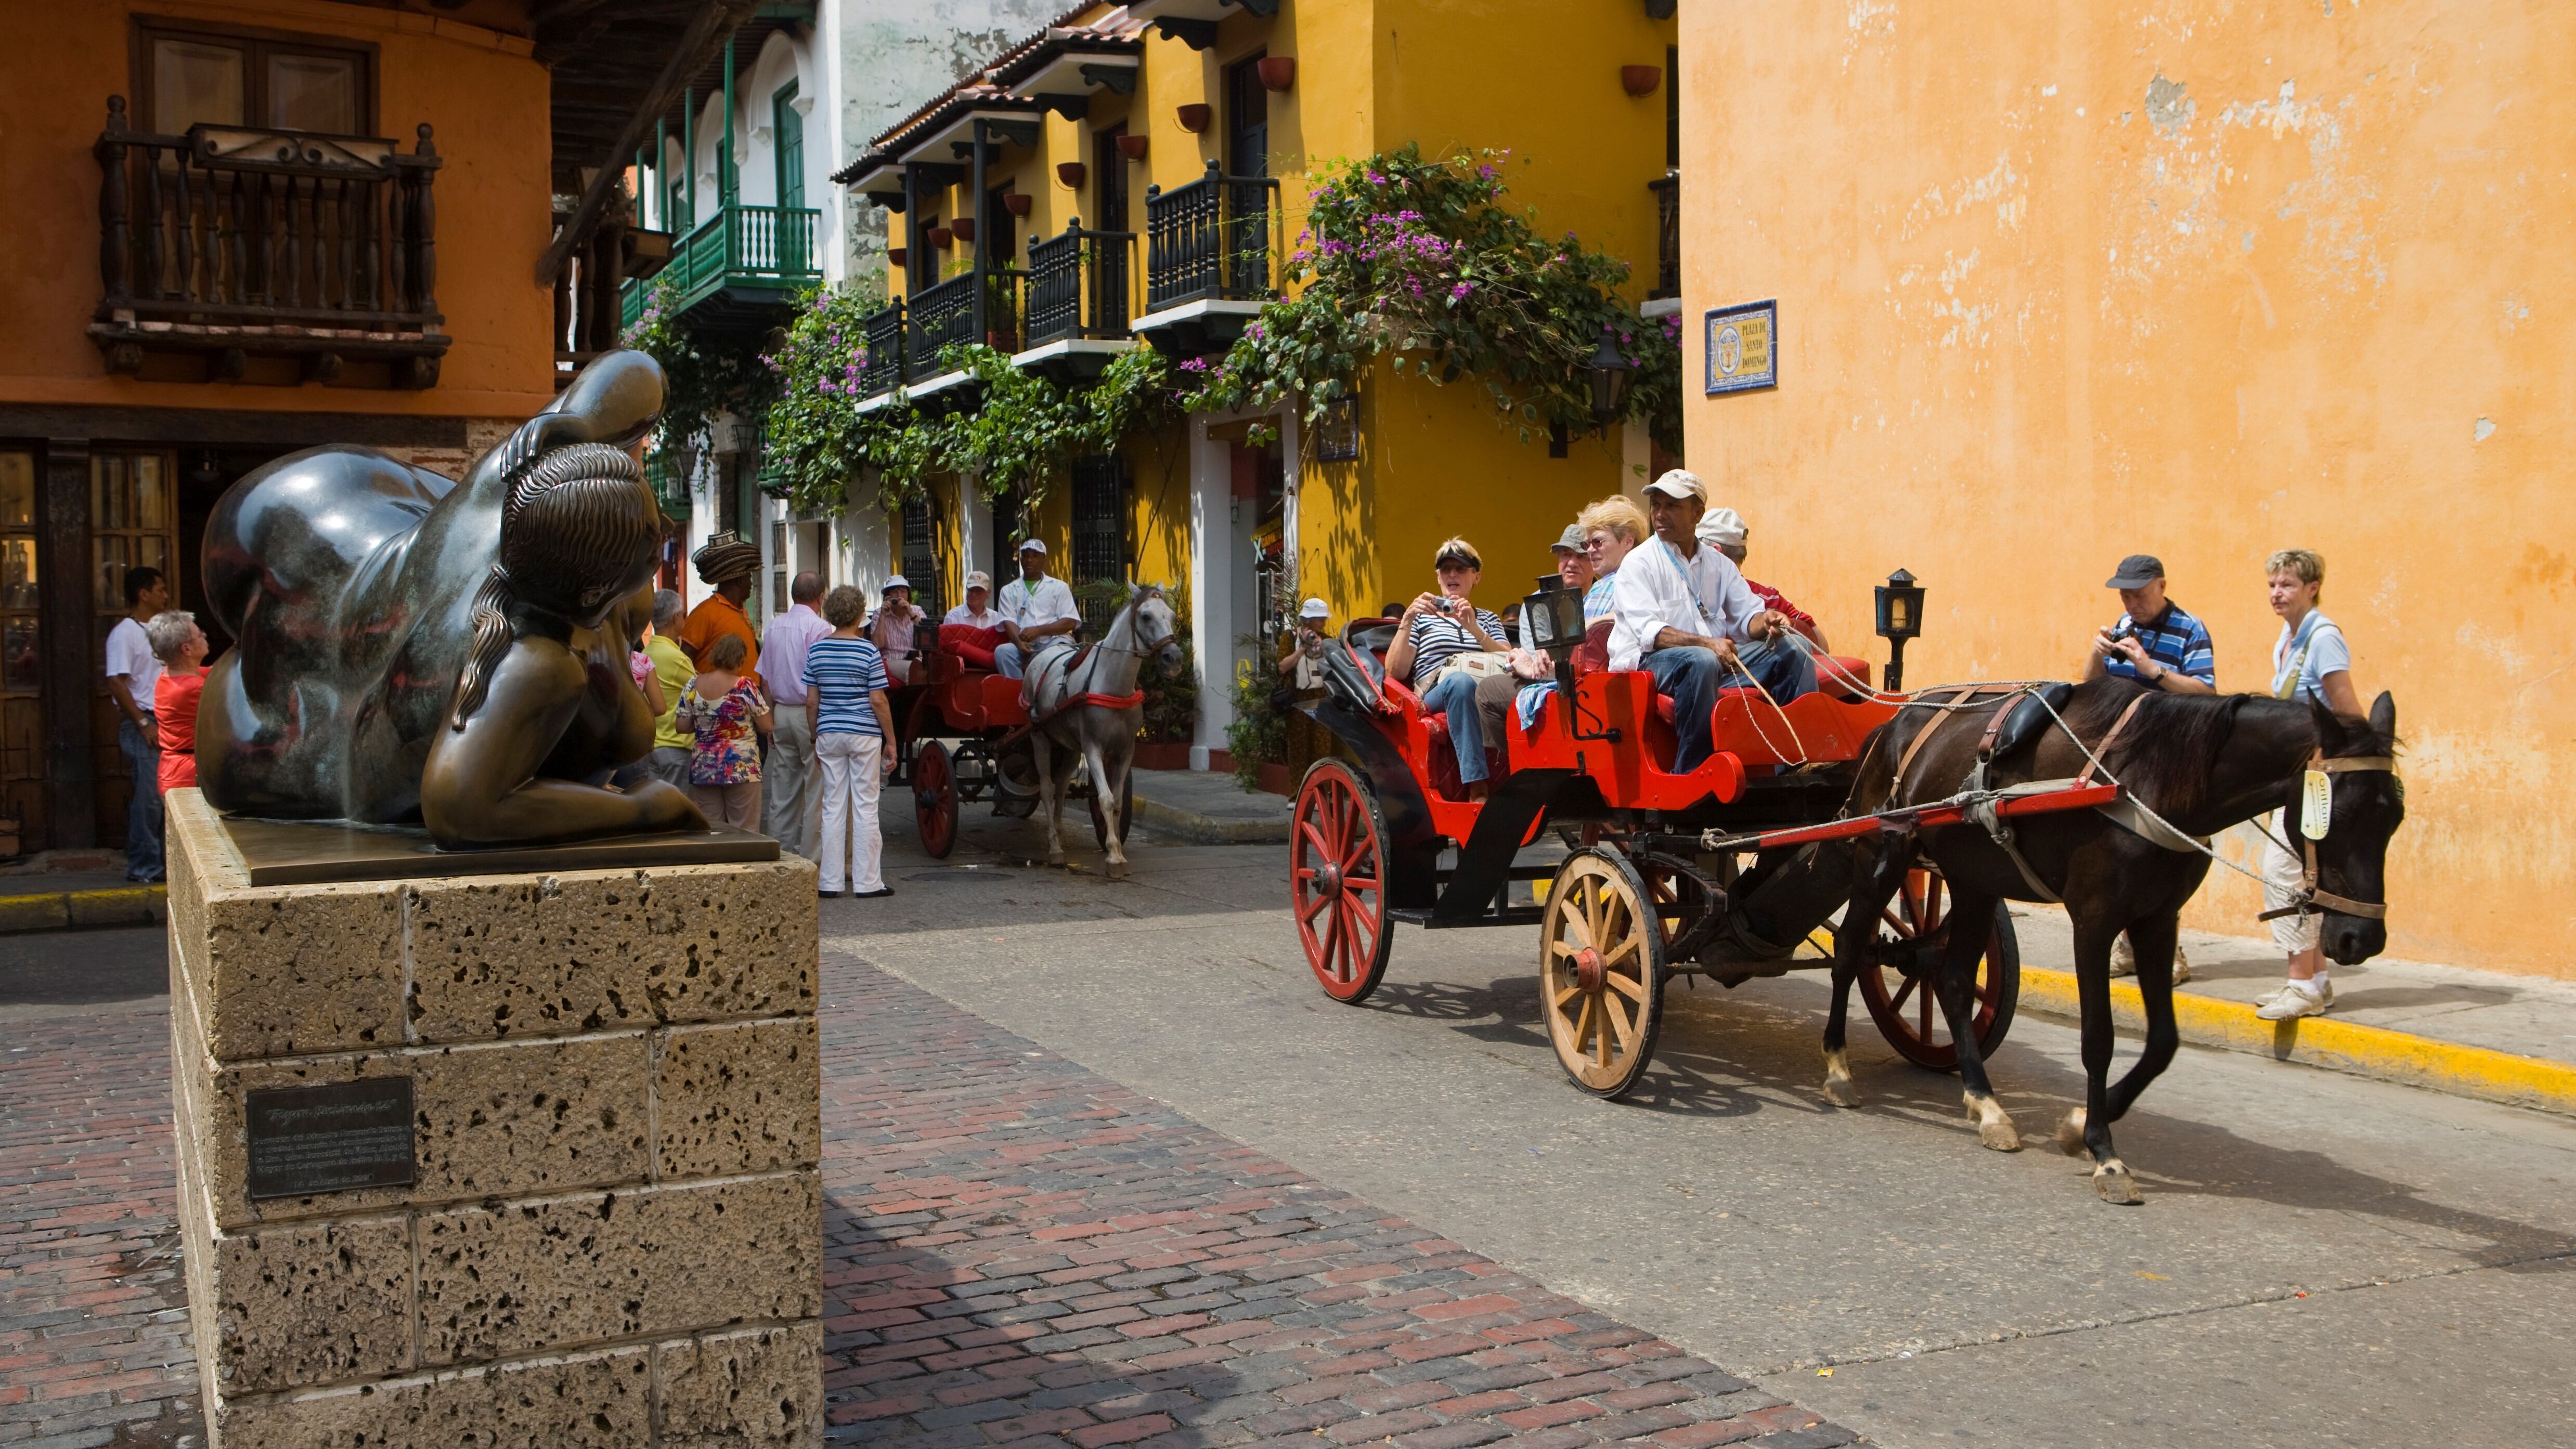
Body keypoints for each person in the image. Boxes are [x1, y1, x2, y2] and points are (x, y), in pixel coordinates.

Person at [1608, 471, 1815, 775]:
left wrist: (1768, 620)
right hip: (1648, 664)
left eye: (1672, 507)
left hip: (1712, 663)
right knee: (1700, 661)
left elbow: (1748, 619)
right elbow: (1651, 635)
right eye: (1656, 505)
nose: (1660, 515)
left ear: (1698, 513)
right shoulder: (1639, 563)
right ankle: (1695, 771)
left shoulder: (1719, 564)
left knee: (1794, 646)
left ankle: (1794, 761)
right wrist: (1708, 644)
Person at [2255, 549, 2362, 1023]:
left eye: (2287, 585)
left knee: (2282, 872)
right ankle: (2315, 981)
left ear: (2312, 587)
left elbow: (2349, 715)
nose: (2277, 594)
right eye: (2273, 585)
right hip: (2294, 778)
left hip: (2317, 781)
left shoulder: (2323, 639)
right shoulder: (2288, 635)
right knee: (2302, 876)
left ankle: (2300, 985)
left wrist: (2323, 765)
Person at [1383, 538, 1511, 801]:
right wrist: (1407, 620)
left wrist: (1474, 628)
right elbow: (1395, 672)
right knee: (1460, 682)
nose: (1452, 575)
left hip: (1483, 690)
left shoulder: (1487, 618)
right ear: (1438, 577)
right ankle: (1477, 784)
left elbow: (1510, 661)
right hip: (1437, 694)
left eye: (1461, 569)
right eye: (1446, 569)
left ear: (1476, 577)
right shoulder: (1421, 617)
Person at [1516, 497, 1649, 733]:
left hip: (1588, 693)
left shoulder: (1620, 580)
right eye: (1586, 545)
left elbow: (1579, 656)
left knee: (1487, 692)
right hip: (1597, 686)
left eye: (1596, 543)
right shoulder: (1611, 583)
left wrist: (1534, 663)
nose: (1589, 552)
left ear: (1628, 542)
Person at [804, 585, 897, 900]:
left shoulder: (817, 650)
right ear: (859, 615)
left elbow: (811, 702)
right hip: (863, 734)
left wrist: (815, 736)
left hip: (829, 732)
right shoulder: (868, 651)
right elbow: (878, 701)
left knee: (832, 806)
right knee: (866, 806)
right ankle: (868, 882)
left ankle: (829, 882)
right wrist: (892, 741)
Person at [105, 565, 172, 882]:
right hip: (145, 721)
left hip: (166, 720)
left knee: (165, 797)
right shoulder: (125, 633)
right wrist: (144, 722)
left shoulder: (160, 631)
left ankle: (162, 862)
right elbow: (117, 683)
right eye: (160, 590)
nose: (165, 596)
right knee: (148, 797)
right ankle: (144, 866)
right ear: (143, 594)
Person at [760, 572, 831, 855]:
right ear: (820, 597)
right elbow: (822, 680)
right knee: (816, 791)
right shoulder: (820, 628)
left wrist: (770, 721)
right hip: (808, 714)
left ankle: (779, 854)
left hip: (782, 712)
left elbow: (765, 680)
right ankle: (812, 859)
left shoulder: (774, 627)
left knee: (783, 791)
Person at [677, 632, 771, 829]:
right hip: (742, 768)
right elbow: (766, 726)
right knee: (745, 831)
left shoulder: (693, 685)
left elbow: (682, 726)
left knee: (712, 831)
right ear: (740, 660)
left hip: (704, 767)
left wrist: (708, 722)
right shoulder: (745, 687)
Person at [2085, 554, 2216, 695]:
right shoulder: (2124, 623)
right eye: (2125, 597)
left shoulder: (2191, 629)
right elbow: (2090, 686)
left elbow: (2207, 694)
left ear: (2162, 586)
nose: (2132, 605)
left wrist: (2153, 671)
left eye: (2140, 596)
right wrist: (2097, 654)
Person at [1701, 507, 1828, 650]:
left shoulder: (1702, 594)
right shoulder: (1770, 596)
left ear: (1715, 552)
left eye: (1697, 550)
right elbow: (1822, 645)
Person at [679, 531, 763, 685]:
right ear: (738, 580)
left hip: (747, 699)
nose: (751, 584)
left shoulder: (740, 612)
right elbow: (685, 658)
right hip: (718, 703)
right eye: (749, 578)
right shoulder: (705, 613)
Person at [993, 539, 1080, 682]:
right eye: (1025, 556)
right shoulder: (1008, 590)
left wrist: (1039, 631)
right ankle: (1020, 694)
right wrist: (1019, 642)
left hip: (1054, 642)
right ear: (1021, 559)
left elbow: (1070, 622)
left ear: (1044, 559)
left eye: (1035, 556)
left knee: (1060, 651)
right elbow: (1008, 621)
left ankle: (1052, 695)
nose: (1029, 560)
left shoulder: (1059, 587)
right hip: (1024, 645)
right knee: (1003, 652)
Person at [146, 610, 207, 797]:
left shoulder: (168, 675)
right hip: (189, 775)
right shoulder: (194, 688)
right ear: (186, 649)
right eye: (199, 634)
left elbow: (214, 672)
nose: (204, 635)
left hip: (173, 770)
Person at [644, 589, 696, 788]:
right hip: (675, 746)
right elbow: (698, 691)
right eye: (684, 615)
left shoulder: (648, 651)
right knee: (675, 809)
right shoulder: (676, 658)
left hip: (653, 744)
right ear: (676, 618)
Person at [941, 569, 1007, 670]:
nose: (974, 594)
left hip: (992, 669)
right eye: (971, 590)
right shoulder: (953, 616)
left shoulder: (996, 618)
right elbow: (947, 650)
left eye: (979, 591)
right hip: (962, 670)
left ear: (988, 593)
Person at [869, 575, 928, 685]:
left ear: (908, 595)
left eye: (903, 591)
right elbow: (878, 645)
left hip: (917, 659)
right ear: (888, 595)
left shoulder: (916, 610)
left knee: (932, 670)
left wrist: (910, 613)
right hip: (892, 660)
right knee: (912, 671)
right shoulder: (879, 613)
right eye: (895, 592)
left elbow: (929, 637)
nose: (899, 595)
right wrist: (883, 615)